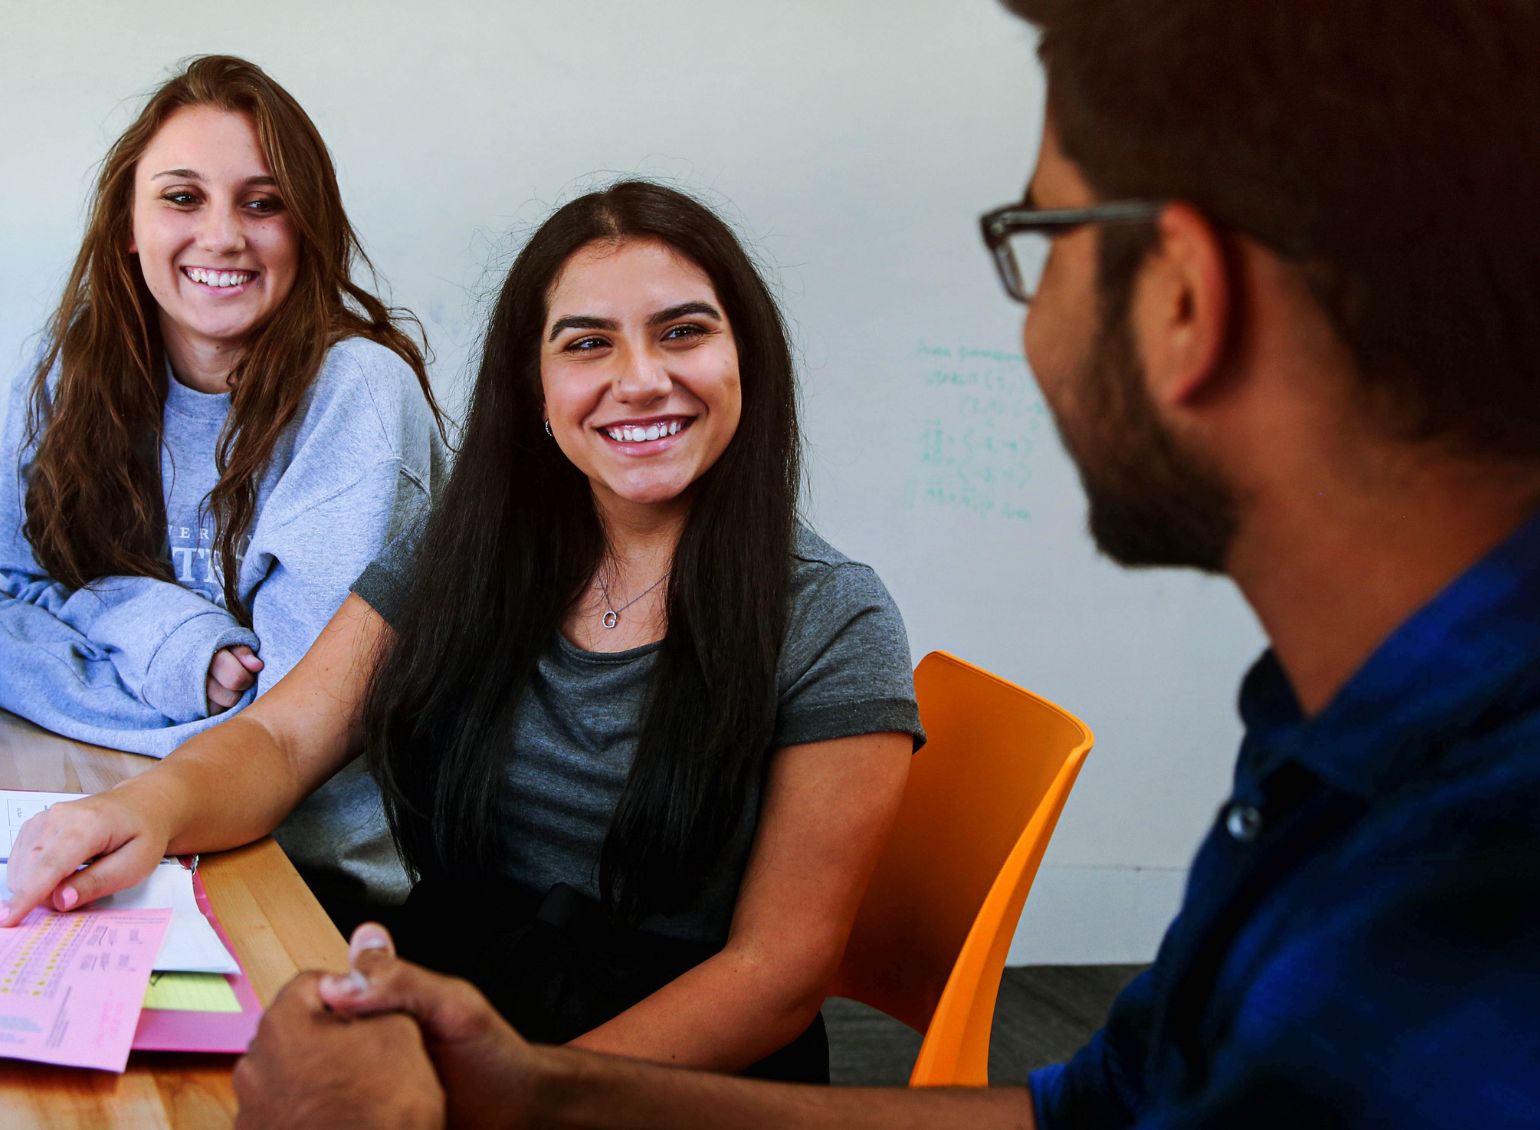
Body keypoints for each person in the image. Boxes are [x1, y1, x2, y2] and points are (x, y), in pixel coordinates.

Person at [225, 0, 1540, 1126]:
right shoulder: (1316, 742)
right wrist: (529, 1093)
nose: (1030, 331)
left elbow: (791, 980)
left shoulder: (1464, 864)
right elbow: (1090, 1106)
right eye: (583, 344)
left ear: (1185, 298)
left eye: (1042, 241)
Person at [4, 180, 922, 1080]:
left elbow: (774, 978)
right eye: (587, 343)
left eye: (683, 331)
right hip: (447, 1020)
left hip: (656, 1084)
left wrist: (514, 1101)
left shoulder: (836, 618)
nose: (641, 380)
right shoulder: (468, 550)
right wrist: (139, 811)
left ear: (746, 358)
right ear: (535, 387)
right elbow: (285, 738)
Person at [0, 55, 446, 915]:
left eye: (263, 201)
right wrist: (160, 631)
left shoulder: (355, 394)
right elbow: (8, 584)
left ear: (306, 227)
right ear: (128, 225)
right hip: (130, 806)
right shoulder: (73, 372)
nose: (223, 236)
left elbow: (282, 719)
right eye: (181, 197)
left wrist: (73, 647)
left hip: (311, 873)